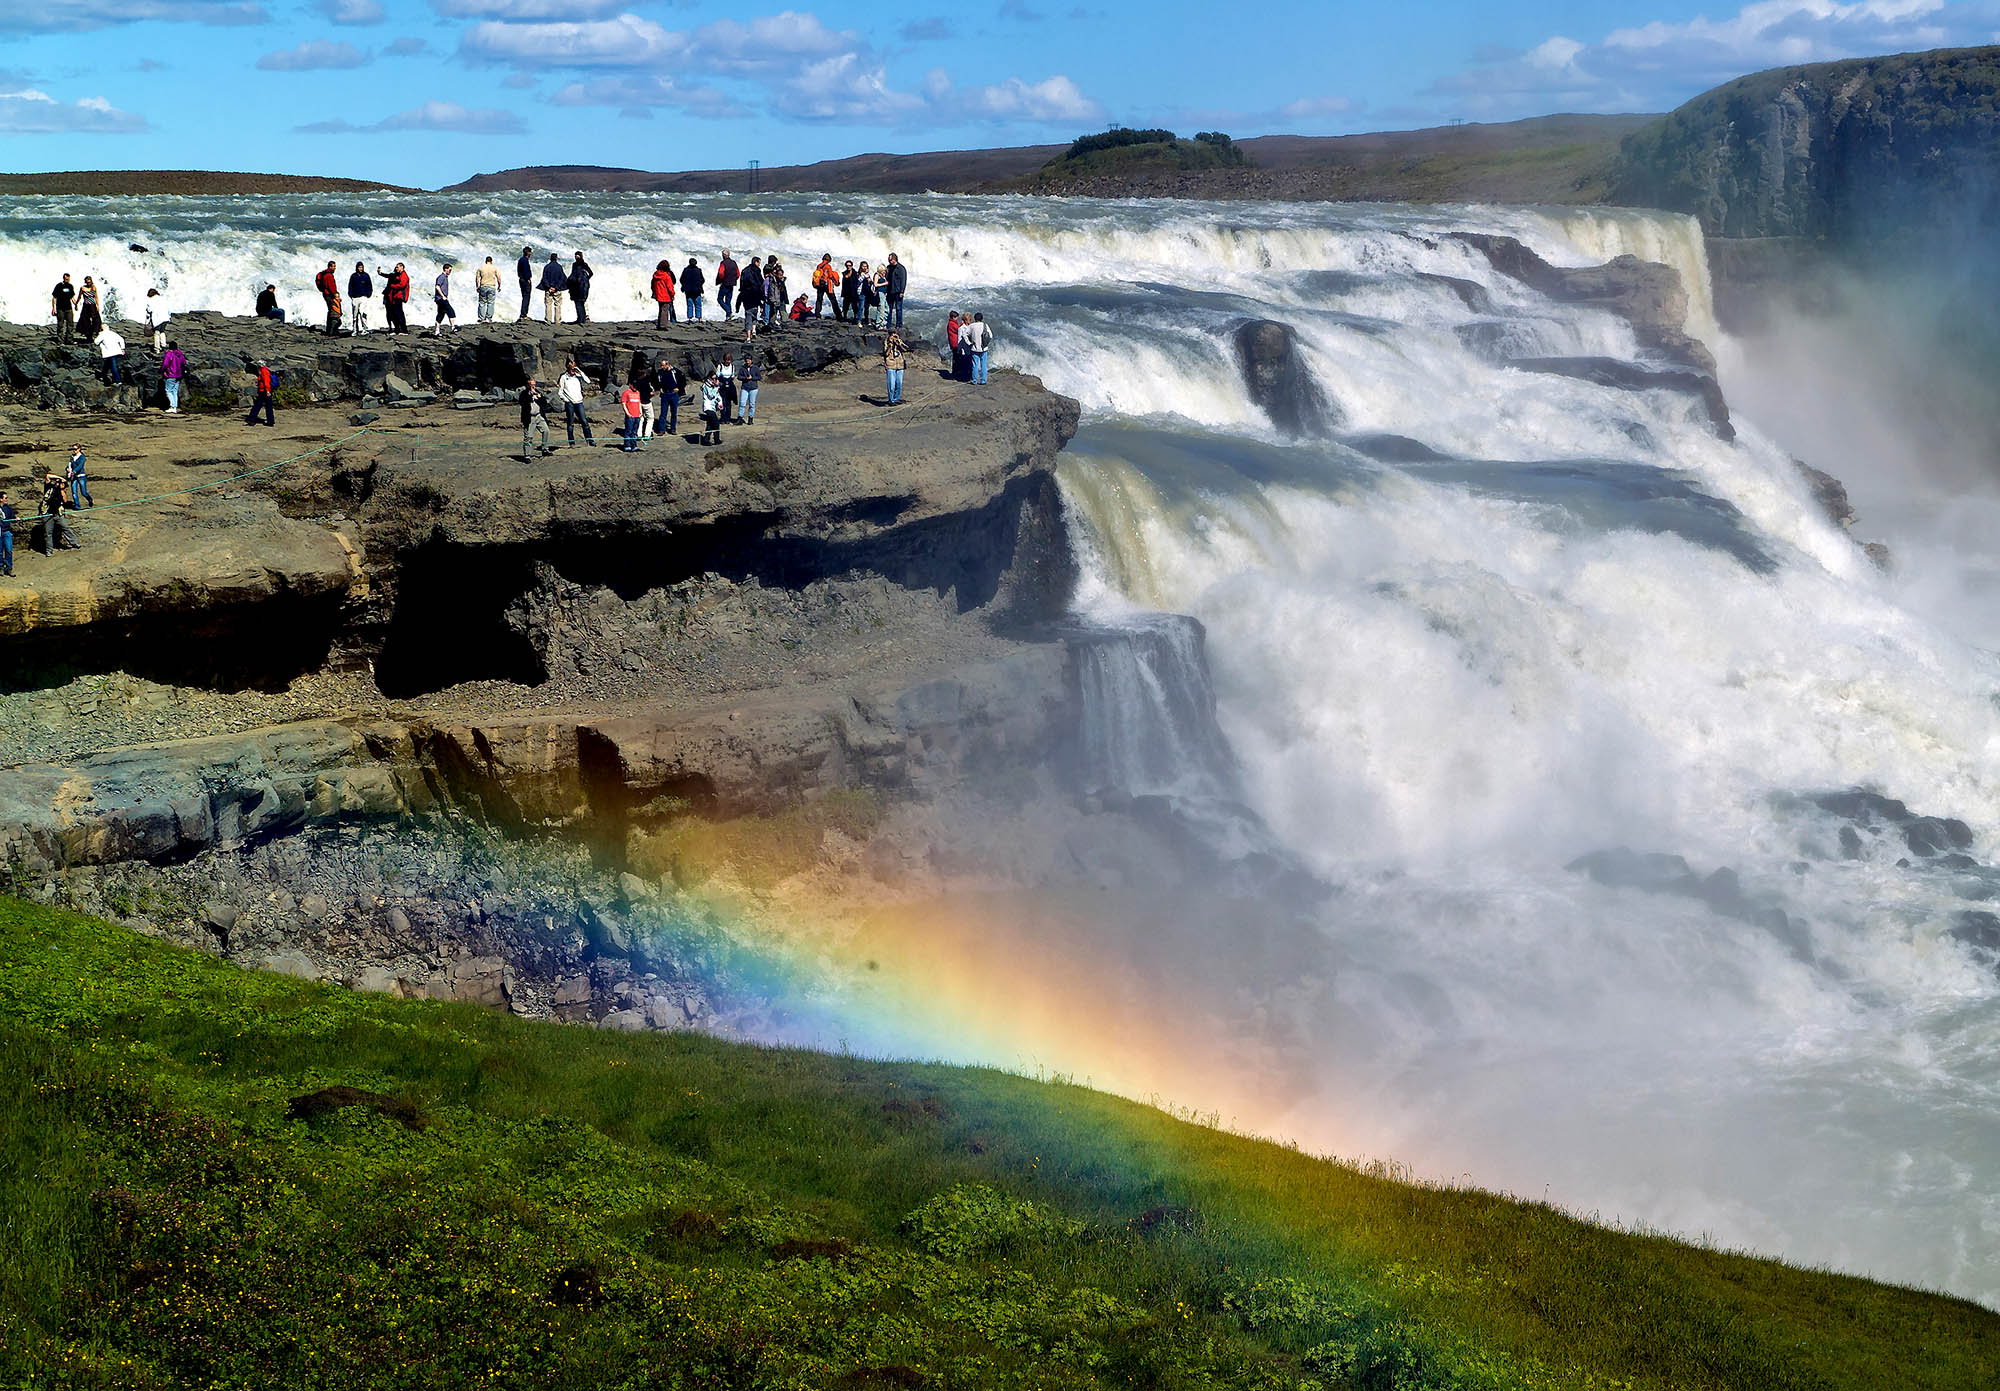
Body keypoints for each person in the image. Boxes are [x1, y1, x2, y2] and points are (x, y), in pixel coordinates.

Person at [38, 472, 78, 554]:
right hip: (47, 514)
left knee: (66, 528)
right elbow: (47, 476)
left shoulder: (62, 491)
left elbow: (65, 501)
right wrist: (60, 477)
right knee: (48, 533)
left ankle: (74, 543)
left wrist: (62, 489)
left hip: (58, 514)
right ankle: (49, 551)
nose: (57, 483)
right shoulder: (49, 487)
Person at [557, 360, 594, 446]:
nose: (573, 371)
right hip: (569, 403)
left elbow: (588, 381)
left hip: (579, 402)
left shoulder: (578, 376)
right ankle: (571, 442)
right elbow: (560, 391)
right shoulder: (563, 377)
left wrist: (580, 371)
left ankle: (590, 440)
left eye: (574, 369)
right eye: (572, 369)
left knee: (584, 421)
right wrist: (566, 399)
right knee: (570, 423)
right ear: (568, 369)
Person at [520, 377, 553, 458]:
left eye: (534, 385)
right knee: (528, 437)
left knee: (546, 431)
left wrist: (540, 397)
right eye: (531, 385)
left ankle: (545, 449)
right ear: (528, 385)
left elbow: (544, 403)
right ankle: (527, 455)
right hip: (529, 418)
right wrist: (530, 396)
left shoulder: (537, 392)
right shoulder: (524, 393)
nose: (533, 387)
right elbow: (522, 402)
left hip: (539, 416)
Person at [378, 263, 410, 335]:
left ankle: (404, 330)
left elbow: (402, 285)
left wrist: (392, 286)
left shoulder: (404, 275)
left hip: (399, 296)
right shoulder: (397, 274)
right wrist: (380, 273)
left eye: (397, 267)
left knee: (399, 313)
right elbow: (389, 275)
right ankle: (397, 329)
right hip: (393, 296)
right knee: (393, 313)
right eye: (396, 267)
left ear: (402, 267)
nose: (396, 269)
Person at [737, 256, 764, 338]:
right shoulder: (756, 271)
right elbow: (760, 283)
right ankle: (754, 330)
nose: (759, 265)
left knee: (748, 313)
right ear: (756, 262)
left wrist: (737, 307)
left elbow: (741, 282)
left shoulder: (744, 270)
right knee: (754, 313)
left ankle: (749, 335)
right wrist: (762, 298)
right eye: (759, 263)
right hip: (755, 294)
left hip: (745, 294)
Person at [655, 357, 682, 436]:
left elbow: (682, 380)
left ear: (667, 364)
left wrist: (679, 388)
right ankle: (661, 430)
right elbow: (656, 381)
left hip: (673, 394)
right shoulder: (660, 372)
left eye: (663, 365)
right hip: (664, 394)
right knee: (663, 413)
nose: (662, 367)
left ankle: (673, 429)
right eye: (661, 365)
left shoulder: (675, 371)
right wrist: (659, 388)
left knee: (674, 413)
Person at [963, 312, 992, 385]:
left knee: (975, 365)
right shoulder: (985, 325)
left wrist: (969, 343)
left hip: (974, 348)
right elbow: (990, 336)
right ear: (982, 318)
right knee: (983, 365)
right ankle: (983, 380)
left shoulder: (972, 326)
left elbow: (964, 334)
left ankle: (974, 380)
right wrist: (986, 343)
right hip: (984, 348)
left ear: (974, 319)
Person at [246, 360, 276, 427]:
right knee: (268, 406)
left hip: (264, 391)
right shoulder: (264, 370)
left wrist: (268, 391)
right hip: (265, 391)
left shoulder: (264, 371)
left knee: (257, 405)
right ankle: (270, 421)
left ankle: (252, 420)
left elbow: (266, 382)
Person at [315, 260, 342, 335]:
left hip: (326, 294)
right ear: (329, 266)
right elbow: (331, 287)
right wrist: (336, 295)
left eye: (335, 266)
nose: (334, 268)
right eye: (333, 266)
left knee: (331, 311)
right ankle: (331, 332)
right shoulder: (329, 275)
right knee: (334, 312)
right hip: (330, 295)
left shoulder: (325, 274)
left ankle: (329, 330)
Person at [539, 253, 566, 322]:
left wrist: (549, 287)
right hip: (557, 289)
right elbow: (561, 278)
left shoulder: (547, 267)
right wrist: (556, 288)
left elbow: (544, 278)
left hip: (548, 289)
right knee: (558, 304)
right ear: (556, 258)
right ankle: (557, 320)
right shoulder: (559, 267)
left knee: (548, 304)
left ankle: (548, 320)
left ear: (550, 258)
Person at [567, 252, 593, 323]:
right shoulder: (583, 264)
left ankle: (581, 319)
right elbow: (591, 273)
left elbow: (573, 275)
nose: (576, 258)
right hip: (583, 286)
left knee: (579, 302)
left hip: (578, 286)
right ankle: (582, 318)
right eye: (576, 256)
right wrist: (586, 279)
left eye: (577, 256)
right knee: (581, 302)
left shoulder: (576, 265)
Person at [161, 341, 186, 413]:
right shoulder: (180, 354)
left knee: (168, 390)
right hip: (179, 375)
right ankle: (174, 407)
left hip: (171, 374)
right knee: (174, 391)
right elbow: (184, 363)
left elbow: (165, 364)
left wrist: (161, 370)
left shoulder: (169, 354)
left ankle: (172, 406)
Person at [433, 263, 457, 336]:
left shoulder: (445, 277)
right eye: (449, 270)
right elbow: (437, 286)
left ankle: (437, 331)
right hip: (441, 299)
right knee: (451, 311)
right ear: (445, 269)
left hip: (440, 298)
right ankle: (453, 327)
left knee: (441, 314)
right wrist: (443, 296)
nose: (450, 272)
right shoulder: (442, 277)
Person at [347, 263, 373, 333]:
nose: (360, 269)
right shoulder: (353, 276)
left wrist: (368, 294)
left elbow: (370, 286)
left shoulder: (366, 276)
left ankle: (364, 329)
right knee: (355, 315)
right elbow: (350, 286)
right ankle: (355, 329)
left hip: (363, 297)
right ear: (356, 268)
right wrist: (351, 295)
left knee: (362, 313)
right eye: (359, 267)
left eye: (361, 267)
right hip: (355, 297)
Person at [475, 257, 501, 323]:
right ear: (491, 261)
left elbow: (477, 278)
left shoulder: (481, 268)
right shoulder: (494, 268)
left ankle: (482, 318)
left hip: (483, 286)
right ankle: (489, 318)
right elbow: (498, 278)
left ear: (485, 261)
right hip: (492, 286)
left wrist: (477, 287)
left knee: (482, 302)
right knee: (491, 303)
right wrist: (499, 286)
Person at [66, 444, 93, 510]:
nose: (74, 451)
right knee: (74, 492)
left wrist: (74, 471)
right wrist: (67, 469)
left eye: (75, 449)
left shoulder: (82, 457)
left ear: (79, 449)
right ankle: (77, 506)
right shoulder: (72, 457)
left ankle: (89, 499)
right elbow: (70, 465)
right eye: (73, 449)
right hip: (73, 477)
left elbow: (80, 466)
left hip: (81, 476)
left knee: (83, 492)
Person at [619, 379, 643, 451]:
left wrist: (640, 411)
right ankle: (627, 445)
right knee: (628, 431)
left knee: (634, 431)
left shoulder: (638, 393)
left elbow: (639, 402)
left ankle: (634, 445)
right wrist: (627, 413)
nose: (635, 388)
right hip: (630, 415)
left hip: (637, 415)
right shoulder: (626, 393)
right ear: (630, 385)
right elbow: (623, 403)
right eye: (634, 386)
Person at [651, 259, 676, 328]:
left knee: (661, 310)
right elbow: (670, 287)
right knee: (665, 310)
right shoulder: (666, 276)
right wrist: (673, 294)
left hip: (658, 294)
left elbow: (652, 285)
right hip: (666, 295)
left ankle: (660, 324)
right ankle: (663, 325)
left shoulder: (655, 274)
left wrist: (655, 292)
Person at [882, 330, 905, 406]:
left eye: (895, 335)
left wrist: (898, 343)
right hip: (890, 365)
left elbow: (905, 349)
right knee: (891, 384)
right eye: (892, 335)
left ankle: (896, 398)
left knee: (899, 384)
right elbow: (886, 354)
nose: (894, 337)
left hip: (900, 365)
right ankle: (891, 400)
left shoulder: (899, 341)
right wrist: (890, 345)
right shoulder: (886, 342)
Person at [51, 274, 75, 343]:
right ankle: (60, 340)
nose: (67, 280)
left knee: (70, 324)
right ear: (63, 279)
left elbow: (72, 297)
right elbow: (54, 297)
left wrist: (75, 304)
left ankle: (69, 340)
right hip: (60, 308)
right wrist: (53, 308)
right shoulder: (59, 286)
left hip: (68, 308)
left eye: (68, 279)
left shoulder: (70, 286)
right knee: (60, 324)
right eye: (66, 279)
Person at [698, 374, 722, 445]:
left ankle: (706, 439)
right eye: (712, 378)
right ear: (709, 378)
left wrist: (720, 403)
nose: (714, 380)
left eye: (715, 378)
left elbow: (717, 396)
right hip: (708, 407)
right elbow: (711, 395)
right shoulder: (706, 386)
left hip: (713, 407)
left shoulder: (713, 386)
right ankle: (716, 439)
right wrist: (716, 387)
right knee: (716, 423)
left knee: (710, 423)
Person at [885, 253, 907, 328]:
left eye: (890, 259)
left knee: (898, 309)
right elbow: (886, 279)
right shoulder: (888, 268)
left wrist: (902, 291)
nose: (889, 261)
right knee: (889, 309)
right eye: (888, 259)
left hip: (898, 292)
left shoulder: (901, 268)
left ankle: (899, 325)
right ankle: (888, 324)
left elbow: (903, 280)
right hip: (890, 291)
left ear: (894, 259)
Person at [145, 288, 170, 353]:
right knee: (162, 331)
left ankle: (157, 348)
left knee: (156, 333)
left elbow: (149, 310)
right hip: (165, 318)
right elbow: (169, 308)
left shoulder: (151, 300)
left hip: (157, 318)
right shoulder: (163, 299)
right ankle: (164, 345)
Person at [738, 352, 761, 425]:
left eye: (749, 359)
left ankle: (750, 418)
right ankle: (740, 418)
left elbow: (759, 377)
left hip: (753, 388)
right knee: (742, 403)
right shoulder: (742, 368)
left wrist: (752, 378)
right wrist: (745, 378)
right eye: (746, 360)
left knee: (752, 404)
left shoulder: (755, 368)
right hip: (745, 387)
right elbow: (739, 377)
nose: (748, 361)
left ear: (751, 360)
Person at [717, 250, 738, 318]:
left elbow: (721, 273)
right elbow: (738, 274)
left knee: (720, 299)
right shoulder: (734, 263)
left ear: (723, 256)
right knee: (728, 300)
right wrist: (733, 279)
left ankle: (729, 312)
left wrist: (721, 280)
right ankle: (728, 316)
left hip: (725, 283)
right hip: (732, 284)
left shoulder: (723, 263)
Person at [717, 352, 737, 423]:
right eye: (727, 360)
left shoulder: (732, 366)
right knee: (722, 402)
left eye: (729, 360)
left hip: (729, 386)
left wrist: (729, 380)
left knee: (728, 403)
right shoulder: (720, 366)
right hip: (722, 386)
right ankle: (722, 417)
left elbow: (733, 376)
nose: (728, 362)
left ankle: (728, 418)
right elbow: (717, 375)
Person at [860, 260, 880, 327]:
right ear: (861, 267)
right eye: (863, 266)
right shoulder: (860, 274)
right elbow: (858, 281)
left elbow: (870, 284)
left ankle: (866, 319)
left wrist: (873, 290)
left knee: (867, 307)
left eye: (866, 266)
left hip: (868, 293)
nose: (864, 268)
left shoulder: (868, 275)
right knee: (860, 307)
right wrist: (864, 276)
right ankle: (858, 320)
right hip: (861, 293)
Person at [517, 246, 534, 320]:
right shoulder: (525, 260)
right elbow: (526, 271)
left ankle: (523, 314)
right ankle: (523, 314)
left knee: (524, 296)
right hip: (525, 280)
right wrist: (528, 279)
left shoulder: (520, 259)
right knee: (526, 297)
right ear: (528, 253)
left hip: (521, 279)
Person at [946, 310, 963, 380]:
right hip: (954, 343)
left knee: (956, 358)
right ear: (953, 317)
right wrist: (962, 324)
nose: (957, 319)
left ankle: (955, 372)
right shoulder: (952, 324)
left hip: (953, 342)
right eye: (956, 318)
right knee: (956, 358)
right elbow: (958, 330)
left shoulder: (952, 323)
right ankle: (955, 373)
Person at [0, 489, 14, 577]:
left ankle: (9, 568)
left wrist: (16, 518)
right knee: (0, 551)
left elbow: (12, 516)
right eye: (5, 498)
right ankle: (1, 567)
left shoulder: (8, 508)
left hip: (6, 531)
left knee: (9, 550)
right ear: (0, 499)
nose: (7, 499)